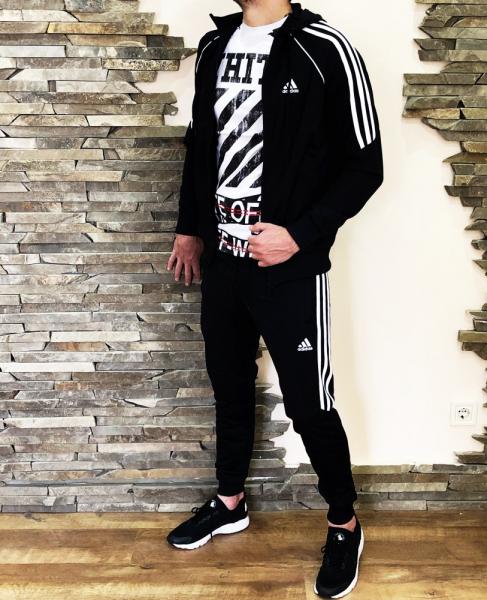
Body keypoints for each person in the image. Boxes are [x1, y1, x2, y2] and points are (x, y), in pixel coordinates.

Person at [166, 1, 383, 597]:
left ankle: (344, 523)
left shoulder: (326, 47)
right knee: (229, 386)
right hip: (223, 262)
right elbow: (200, 145)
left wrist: (300, 235)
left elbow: (365, 166)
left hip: (288, 269)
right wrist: (190, 229)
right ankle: (230, 502)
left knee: (310, 403)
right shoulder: (214, 48)